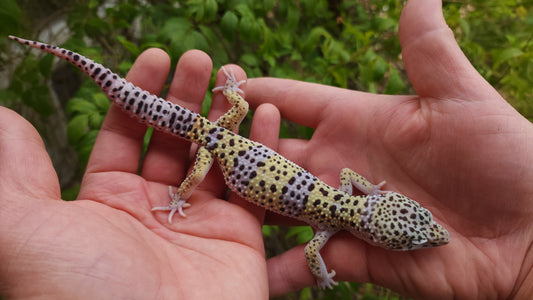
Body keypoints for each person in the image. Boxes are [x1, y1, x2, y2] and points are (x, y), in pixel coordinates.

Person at [0, 0, 531, 298]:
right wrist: (322, 271)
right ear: (371, 225)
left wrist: (369, 191)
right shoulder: (326, 226)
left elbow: (348, 175)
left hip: (227, 133)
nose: (424, 239)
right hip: (215, 145)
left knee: (226, 105)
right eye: (414, 231)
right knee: (179, 166)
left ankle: (217, 101)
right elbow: (309, 250)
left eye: (412, 237)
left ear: (376, 215)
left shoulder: (341, 197)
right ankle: (180, 193)